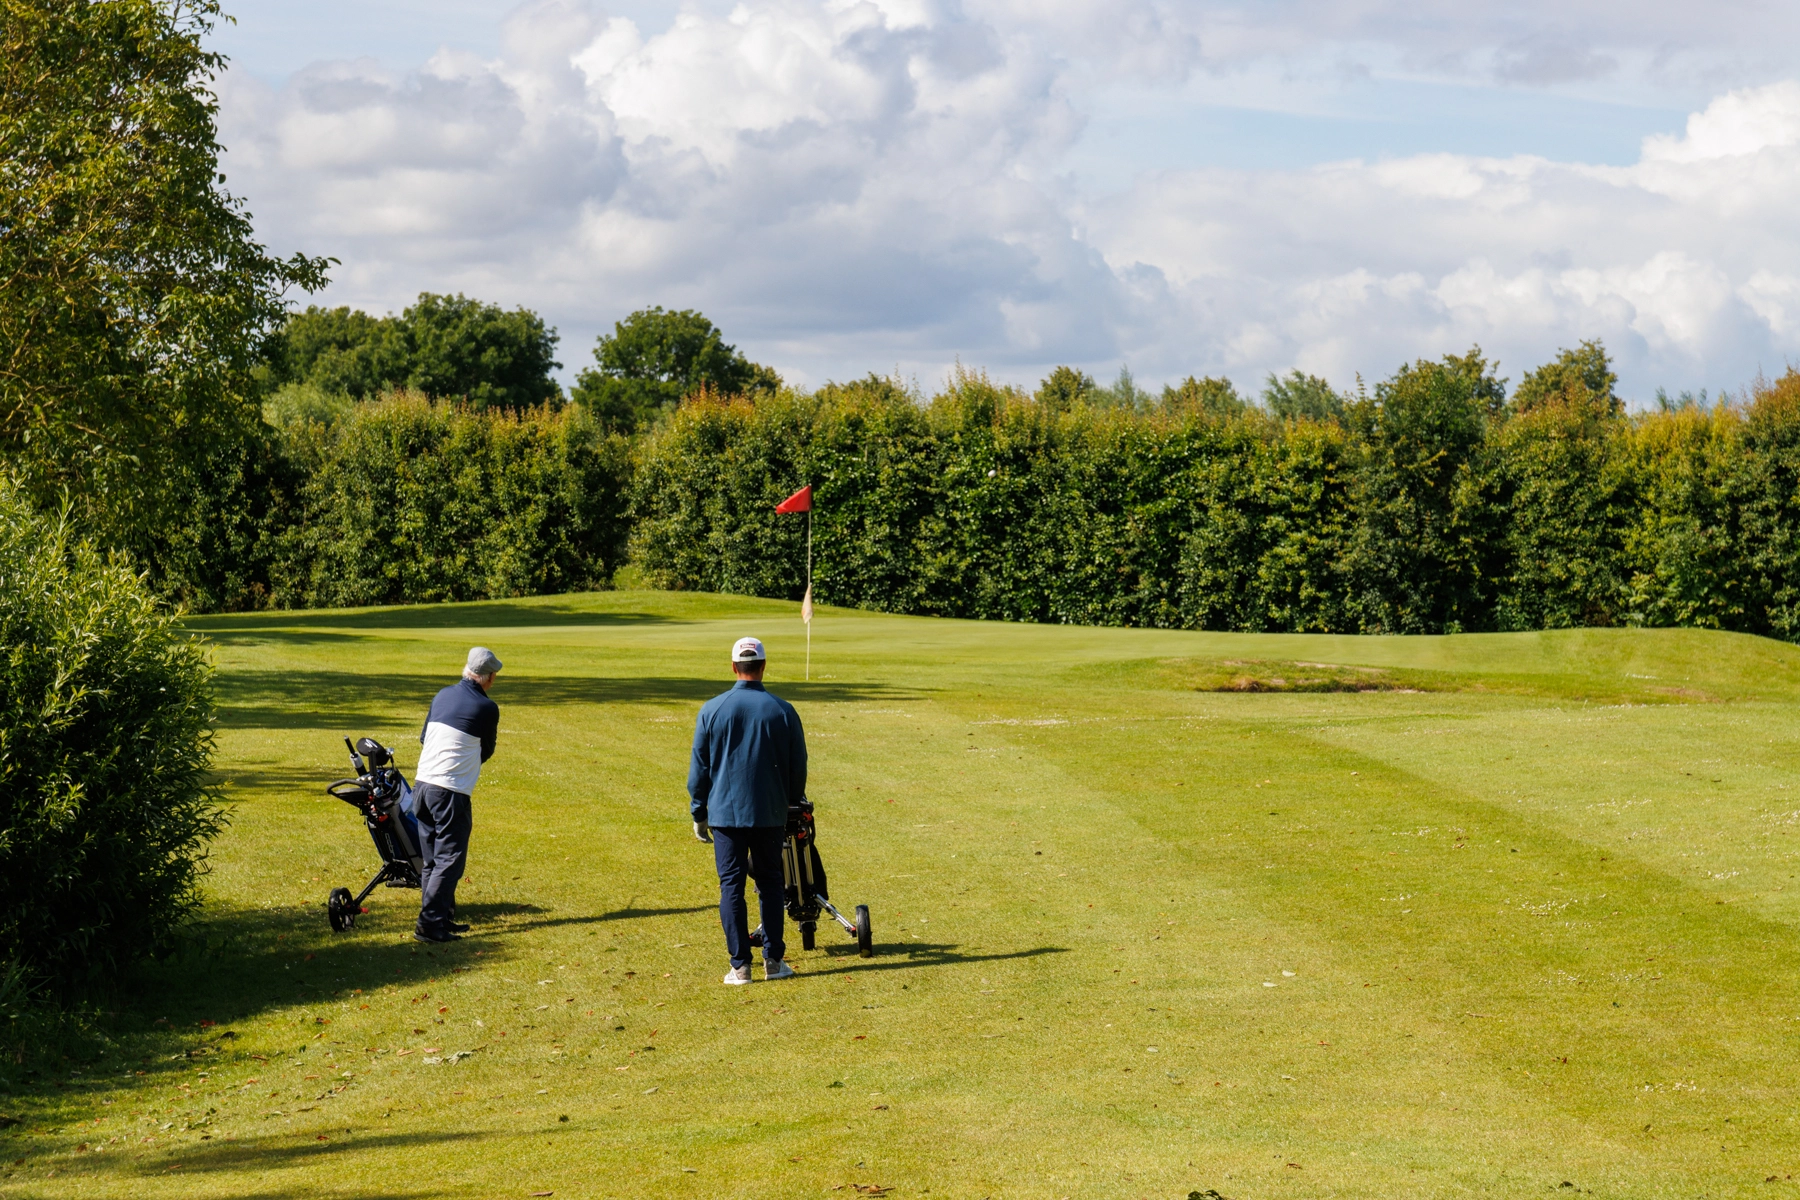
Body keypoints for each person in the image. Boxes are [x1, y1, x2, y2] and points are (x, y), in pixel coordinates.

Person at [688, 636, 808, 984]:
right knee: (770, 883)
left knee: (731, 887)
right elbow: (797, 765)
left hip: (725, 813)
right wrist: (792, 798)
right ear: (764, 666)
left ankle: (740, 966)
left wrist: (699, 812)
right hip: (769, 811)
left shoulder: (712, 709)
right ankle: (773, 960)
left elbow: (699, 769)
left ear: (733, 667)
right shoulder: (782, 710)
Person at [413, 646, 502, 943]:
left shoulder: (442, 695)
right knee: (449, 859)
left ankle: (441, 919)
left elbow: (425, 737)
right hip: (449, 791)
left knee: (432, 860)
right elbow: (486, 750)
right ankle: (429, 926)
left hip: (421, 786)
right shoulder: (487, 708)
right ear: (487, 678)